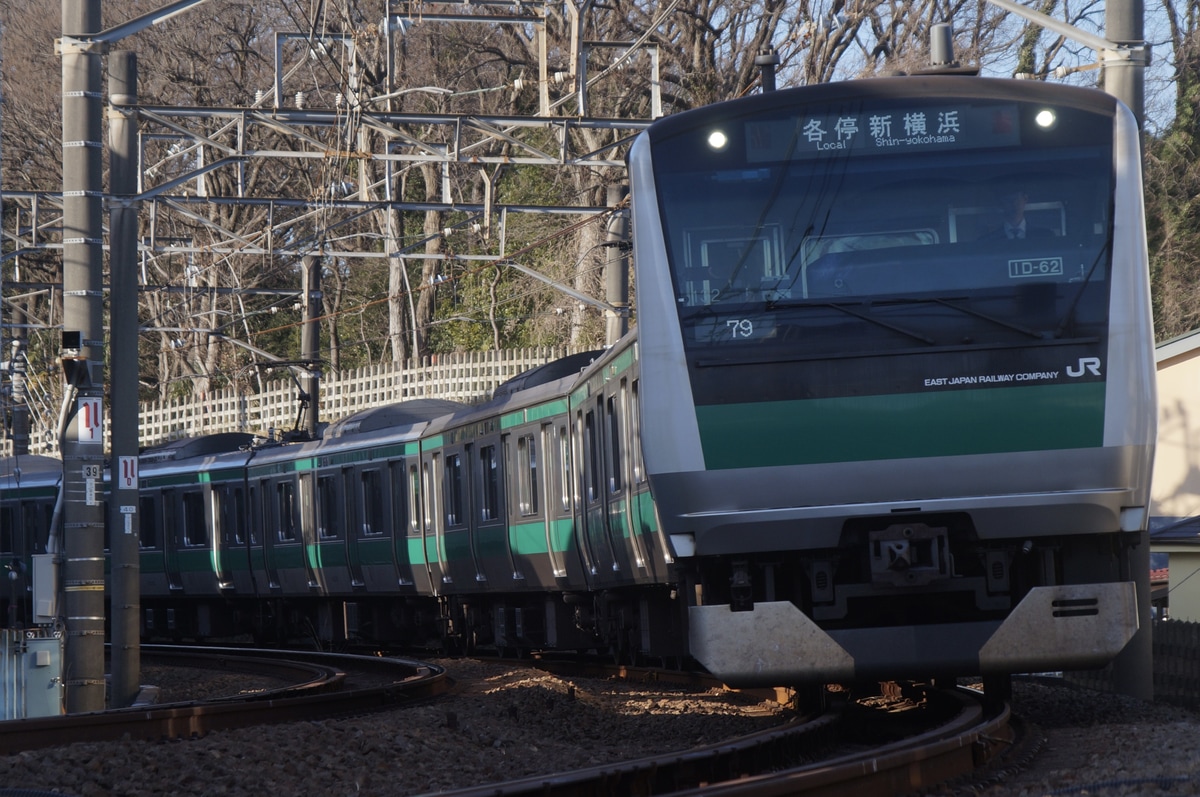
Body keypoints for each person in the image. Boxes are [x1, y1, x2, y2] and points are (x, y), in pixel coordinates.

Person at [979, 189, 1054, 240]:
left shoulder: (1045, 236)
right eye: (1008, 200)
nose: (1014, 204)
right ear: (1001, 204)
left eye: (1017, 199)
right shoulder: (989, 241)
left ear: (1025, 199)